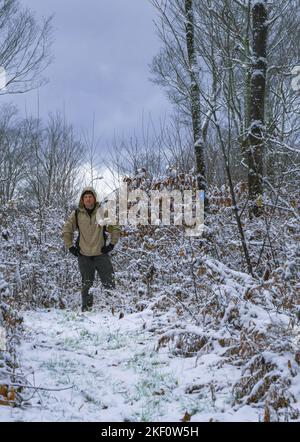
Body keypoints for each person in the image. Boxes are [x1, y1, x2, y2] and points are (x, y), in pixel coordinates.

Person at [62, 187, 120, 312]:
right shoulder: (77, 214)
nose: (88, 199)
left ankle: (114, 310)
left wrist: (112, 244)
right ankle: (87, 311)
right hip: (84, 256)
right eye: (86, 197)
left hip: (101, 254)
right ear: (82, 199)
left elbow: (114, 227)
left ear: (94, 198)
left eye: (90, 196)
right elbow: (67, 230)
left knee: (109, 283)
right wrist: (70, 247)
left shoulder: (102, 212)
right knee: (86, 285)